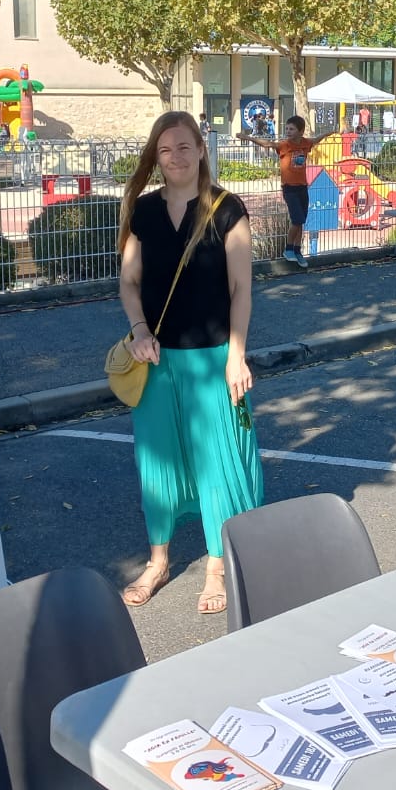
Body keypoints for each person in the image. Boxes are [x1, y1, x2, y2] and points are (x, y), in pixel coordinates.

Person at [116, 111, 262, 615]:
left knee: (216, 463)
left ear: (201, 149)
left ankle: (219, 566)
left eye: (183, 147)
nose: (175, 157)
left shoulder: (226, 209)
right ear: (155, 158)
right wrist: (138, 331)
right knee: (156, 462)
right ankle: (158, 561)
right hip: (156, 360)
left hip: (213, 358)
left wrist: (236, 356)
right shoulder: (145, 211)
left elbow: (242, 290)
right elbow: (129, 284)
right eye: (164, 150)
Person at [250, 116, 318, 267]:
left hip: (302, 187)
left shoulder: (306, 144)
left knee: (301, 222)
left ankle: (297, 250)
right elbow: (267, 144)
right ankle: (288, 249)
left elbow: (316, 139)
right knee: (297, 220)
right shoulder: (284, 146)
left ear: (301, 131)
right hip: (289, 188)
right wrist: (247, 138)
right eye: (287, 128)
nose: (288, 131)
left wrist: (329, 134)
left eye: (292, 129)